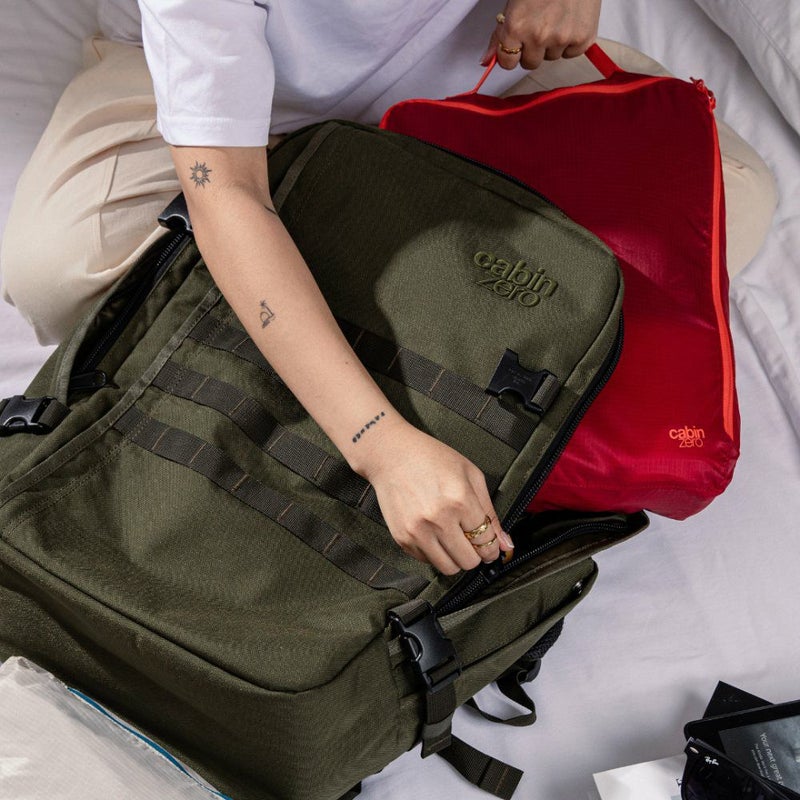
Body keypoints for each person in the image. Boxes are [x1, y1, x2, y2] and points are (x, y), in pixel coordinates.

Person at [0, 0, 776, 574]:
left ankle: (354, 267)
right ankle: (350, 283)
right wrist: (380, 446)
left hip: (479, 67)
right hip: (242, 111)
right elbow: (226, 193)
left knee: (735, 195)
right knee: (58, 273)